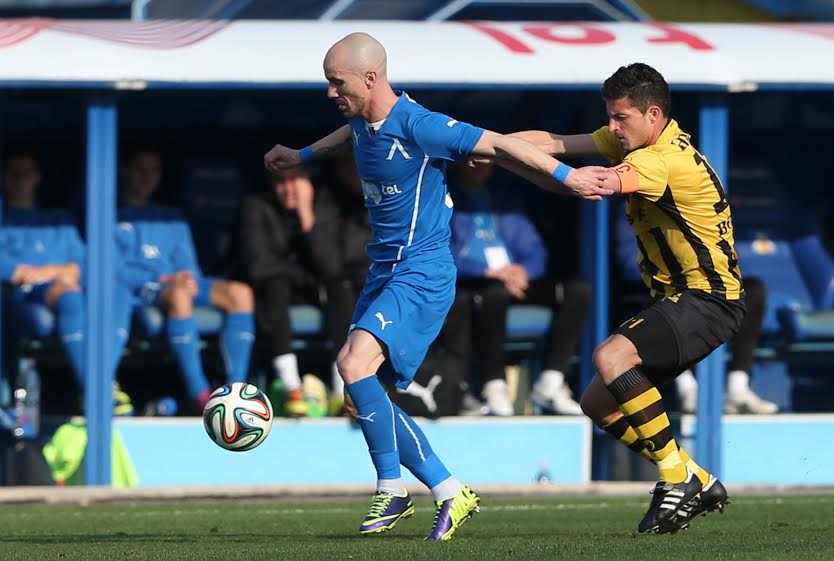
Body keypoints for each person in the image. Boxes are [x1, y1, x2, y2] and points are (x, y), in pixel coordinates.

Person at [263, 32, 611, 541]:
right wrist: (302, 154)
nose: (330, 92)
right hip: (384, 271)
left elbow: (500, 144)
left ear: (370, 78)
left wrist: (568, 176)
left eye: (337, 82)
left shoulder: (420, 124)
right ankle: (449, 491)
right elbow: (350, 133)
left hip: (421, 271)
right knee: (361, 397)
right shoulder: (361, 118)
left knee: (352, 366)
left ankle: (392, 489)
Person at [508, 63, 741, 534]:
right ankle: (694, 477)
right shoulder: (636, 143)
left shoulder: (662, 160)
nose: (612, 127)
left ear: (653, 114)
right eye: (610, 117)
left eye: (621, 117)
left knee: (611, 356)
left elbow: (592, 183)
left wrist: (508, 160)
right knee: (598, 403)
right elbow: (555, 143)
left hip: (708, 299)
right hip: (681, 298)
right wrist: (488, 145)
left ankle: (675, 476)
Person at [444, 161, 590, 416]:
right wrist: (487, 272)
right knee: (494, 293)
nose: (479, 166)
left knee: (578, 289)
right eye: (473, 159)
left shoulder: (504, 198)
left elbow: (534, 248)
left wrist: (523, 271)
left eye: (486, 160)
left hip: (515, 280)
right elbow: (443, 252)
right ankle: (493, 385)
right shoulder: (445, 198)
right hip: (476, 282)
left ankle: (551, 382)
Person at [116, 148, 255, 413]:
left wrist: (187, 278)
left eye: (153, 170)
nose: (146, 176)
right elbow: (113, 272)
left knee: (240, 293)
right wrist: (162, 278)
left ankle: (235, 391)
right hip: (142, 290)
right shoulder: (112, 215)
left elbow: (188, 266)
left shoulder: (172, 217)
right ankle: (199, 392)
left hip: (180, 285)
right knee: (179, 295)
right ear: (124, 171)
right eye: (139, 169)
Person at [0, 150, 132, 415]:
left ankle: (102, 382)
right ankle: (98, 391)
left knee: (118, 292)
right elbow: (17, 274)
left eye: (26, 173)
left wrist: (47, 271)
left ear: (37, 177)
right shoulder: (4, 219)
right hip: (21, 298)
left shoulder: (58, 220)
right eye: (13, 174)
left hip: (64, 289)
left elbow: (83, 264)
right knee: (69, 294)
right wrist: (53, 272)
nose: (20, 180)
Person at [233, 166, 354, 417]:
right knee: (276, 286)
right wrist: (298, 273)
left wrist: (307, 215)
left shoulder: (324, 204)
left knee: (340, 289)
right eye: (281, 181)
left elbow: (331, 266)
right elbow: (258, 265)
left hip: (311, 287)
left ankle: (342, 389)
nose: (288, 189)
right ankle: (292, 388)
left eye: (294, 180)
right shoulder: (255, 205)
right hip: (273, 289)